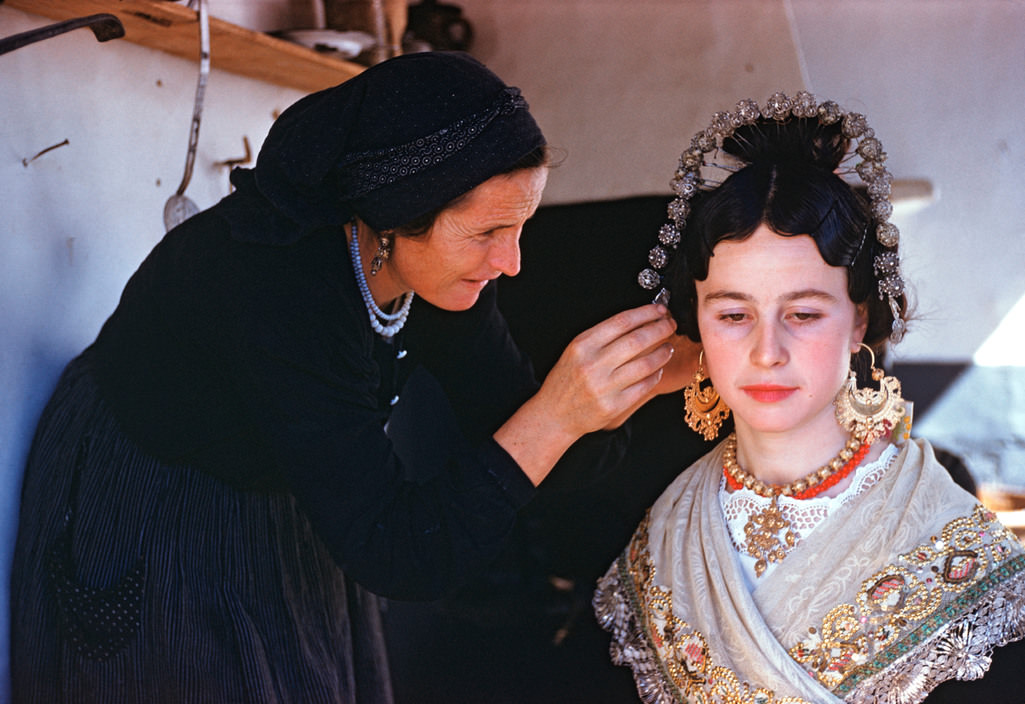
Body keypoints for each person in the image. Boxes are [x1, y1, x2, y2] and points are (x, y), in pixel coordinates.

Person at [9, 52, 695, 703]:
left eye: (520, 227)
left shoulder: (432, 269)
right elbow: (400, 553)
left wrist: (627, 386)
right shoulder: (278, 290)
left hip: (296, 481)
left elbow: (524, 435)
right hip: (166, 493)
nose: (510, 262)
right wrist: (555, 415)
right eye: (487, 232)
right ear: (397, 217)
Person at [593, 92, 1025, 703]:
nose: (767, 351)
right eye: (734, 315)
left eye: (802, 313)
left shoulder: (950, 540)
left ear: (859, 320)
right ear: (698, 324)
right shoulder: (664, 532)